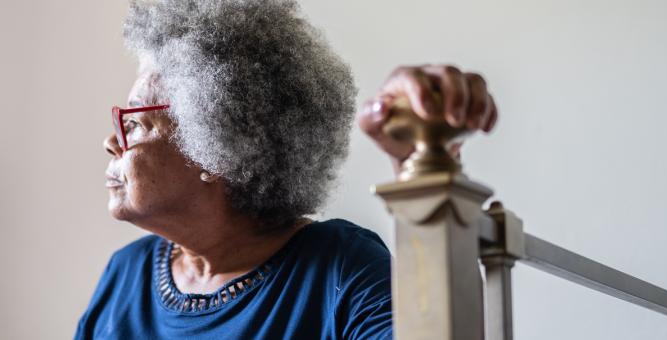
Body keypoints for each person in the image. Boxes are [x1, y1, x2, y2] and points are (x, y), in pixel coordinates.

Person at [77, 0, 498, 338]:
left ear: (215, 148)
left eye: (134, 123)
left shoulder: (341, 270)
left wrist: (417, 162)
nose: (112, 141)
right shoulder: (125, 273)